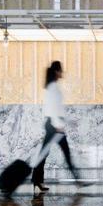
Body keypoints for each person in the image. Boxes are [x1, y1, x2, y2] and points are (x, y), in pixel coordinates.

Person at [31, 61, 82, 192]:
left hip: (52, 124)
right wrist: (58, 125)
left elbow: (58, 110)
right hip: (54, 126)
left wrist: (69, 121)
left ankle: (37, 181)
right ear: (56, 72)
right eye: (60, 70)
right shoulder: (53, 88)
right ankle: (78, 180)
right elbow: (53, 110)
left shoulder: (52, 87)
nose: (62, 72)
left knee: (44, 154)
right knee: (63, 153)